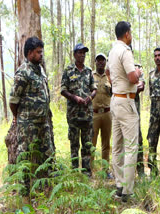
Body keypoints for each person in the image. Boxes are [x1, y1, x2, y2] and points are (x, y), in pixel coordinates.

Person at [9, 36, 55, 195]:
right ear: (30, 53)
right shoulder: (23, 72)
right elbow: (13, 100)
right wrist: (19, 118)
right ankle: (24, 196)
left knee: (48, 156)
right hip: (27, 125)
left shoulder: (40, 70)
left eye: (41, 52)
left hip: (43, 124)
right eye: (38, 52)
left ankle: (48, 189)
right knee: (25, 159)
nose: (41, 55)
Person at [108, 21, 142, 202]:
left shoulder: (112, 51)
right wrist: (138, 72)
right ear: (127, 34)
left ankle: (119, 185)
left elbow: (107, 72)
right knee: (130, 147)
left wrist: (117, 84)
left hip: (115, 100)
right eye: (131, 32)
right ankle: (128, 191)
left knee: (117, 145)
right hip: (126, 102)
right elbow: (131, 76)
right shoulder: (125, 51)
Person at [61, 43, 97, 177]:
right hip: (73, 115)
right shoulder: (68, 71)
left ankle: (87, 171)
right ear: (74, 54)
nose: (82, 55)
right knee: (74, 144)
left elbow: (94, 89)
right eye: (80, 52)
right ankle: (75, 171)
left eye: (84, 53)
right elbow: (63, 90)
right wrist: (74, 98)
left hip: (87, 115)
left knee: (87, 144)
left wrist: (90, 97)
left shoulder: (88, 71)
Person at [91, 53, 112, 177]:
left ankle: (105, 170)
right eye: (98, 60)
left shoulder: (109, 76)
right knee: (92, 143)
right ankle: (90, 169)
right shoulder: (90, 75)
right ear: (95, 62)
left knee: (106, 143)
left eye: (102, 60)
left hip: (107, 113)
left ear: (105, 62)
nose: (100, 62)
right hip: (94, 114)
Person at [134, 62, 145, 177]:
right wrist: (133, 84)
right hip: (121, 109)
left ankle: (140, 169)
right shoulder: (116, 66)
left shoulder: (137, 68)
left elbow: (141, 87)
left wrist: (126, 87)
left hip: (134, 110)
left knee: (138, 139)